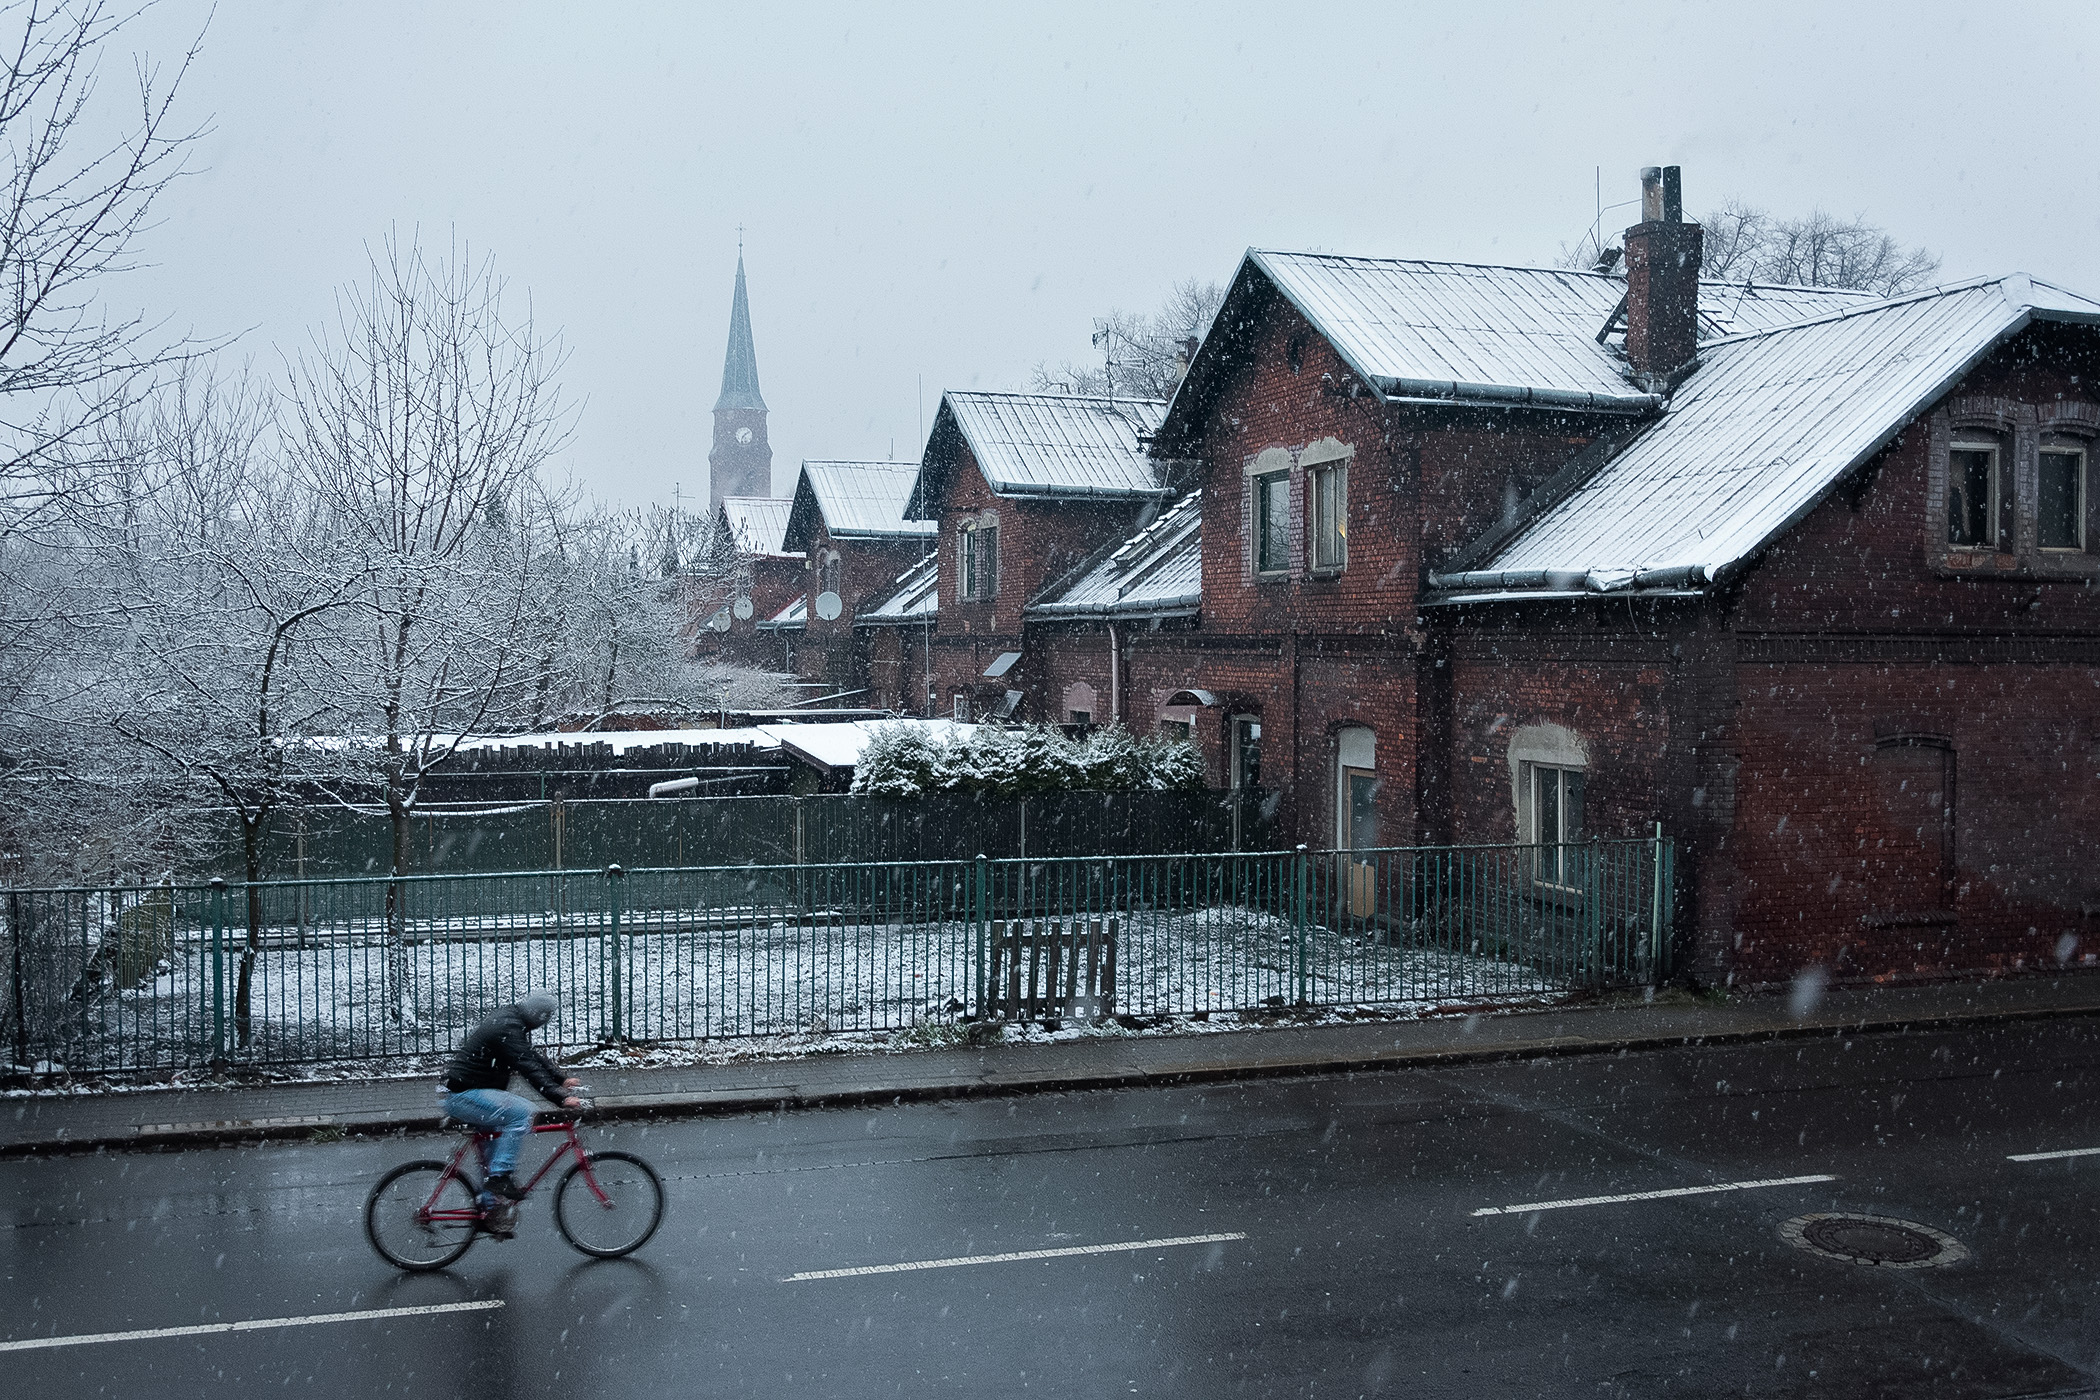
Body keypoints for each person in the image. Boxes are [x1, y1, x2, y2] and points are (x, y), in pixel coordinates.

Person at [441, 991, 582, 1233]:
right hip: (465, 1096)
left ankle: (488, 1211)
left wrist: (561, 1079)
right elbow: (526, 1065)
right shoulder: (508, 1026)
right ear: (539, 1017)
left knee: (492, 1149)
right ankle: (501, 1176)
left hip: (470, 1093)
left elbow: (530, 1056)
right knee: (522, 1113)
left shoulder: (511, 1021)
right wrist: (560, 1097)